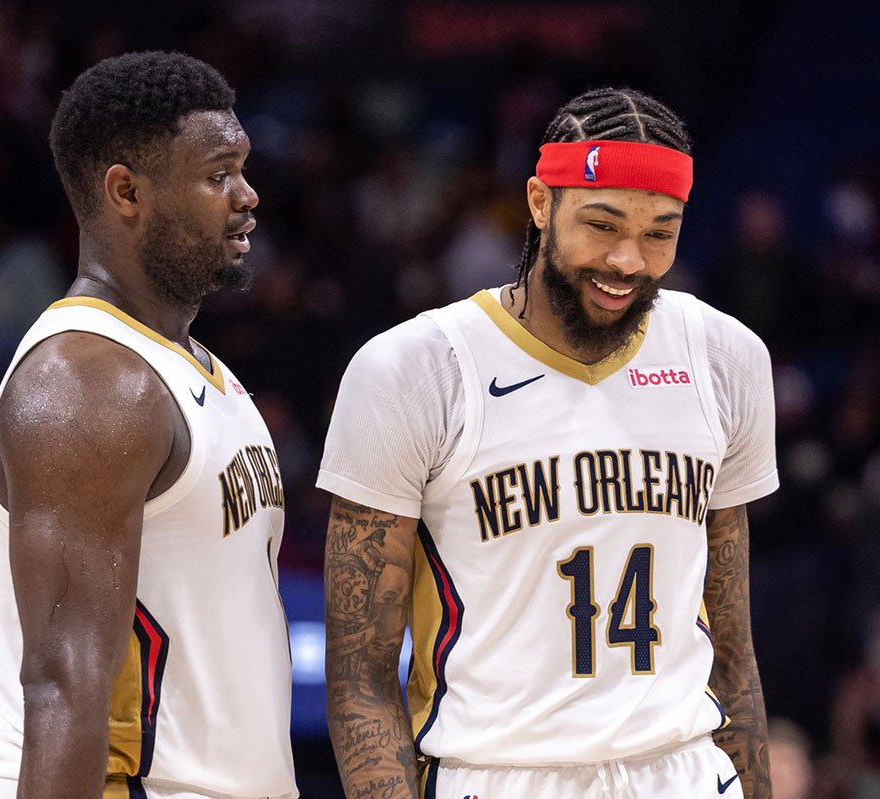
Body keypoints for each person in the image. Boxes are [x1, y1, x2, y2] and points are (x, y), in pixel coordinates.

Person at [319, 87, 778, 799]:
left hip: (685, 769)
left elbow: (735, 655)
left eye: (661, 231)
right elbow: (361, 679)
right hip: (495, 773)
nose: (628, 259)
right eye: (602, 224)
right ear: (540, 202)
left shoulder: (725, 356)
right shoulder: (415, 370)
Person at [0, 52, 296, 799]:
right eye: (218, 175)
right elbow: (62, 684)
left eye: (242, 169)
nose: (246, 196)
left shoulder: (184, 365)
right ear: (127, 191)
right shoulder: (89, 383)